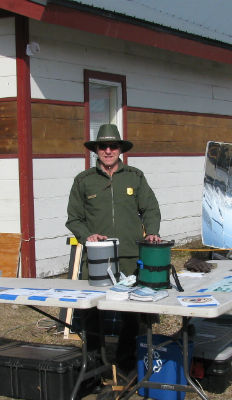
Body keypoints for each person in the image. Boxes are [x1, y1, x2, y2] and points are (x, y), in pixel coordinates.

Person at [66, 123, 162, 372]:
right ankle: (95, 362)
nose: (108, 150)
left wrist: (152, 231)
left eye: (113, 146)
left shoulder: (135, 177)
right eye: (103, 146)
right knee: (92, 309)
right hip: (98, 257)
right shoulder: (83, 180)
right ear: (96, 150)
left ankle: (127, 362)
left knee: (131, 311)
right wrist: (88, 235)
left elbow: (150, 208)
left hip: (130, 255)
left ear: (120, 149)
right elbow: (73, 218)